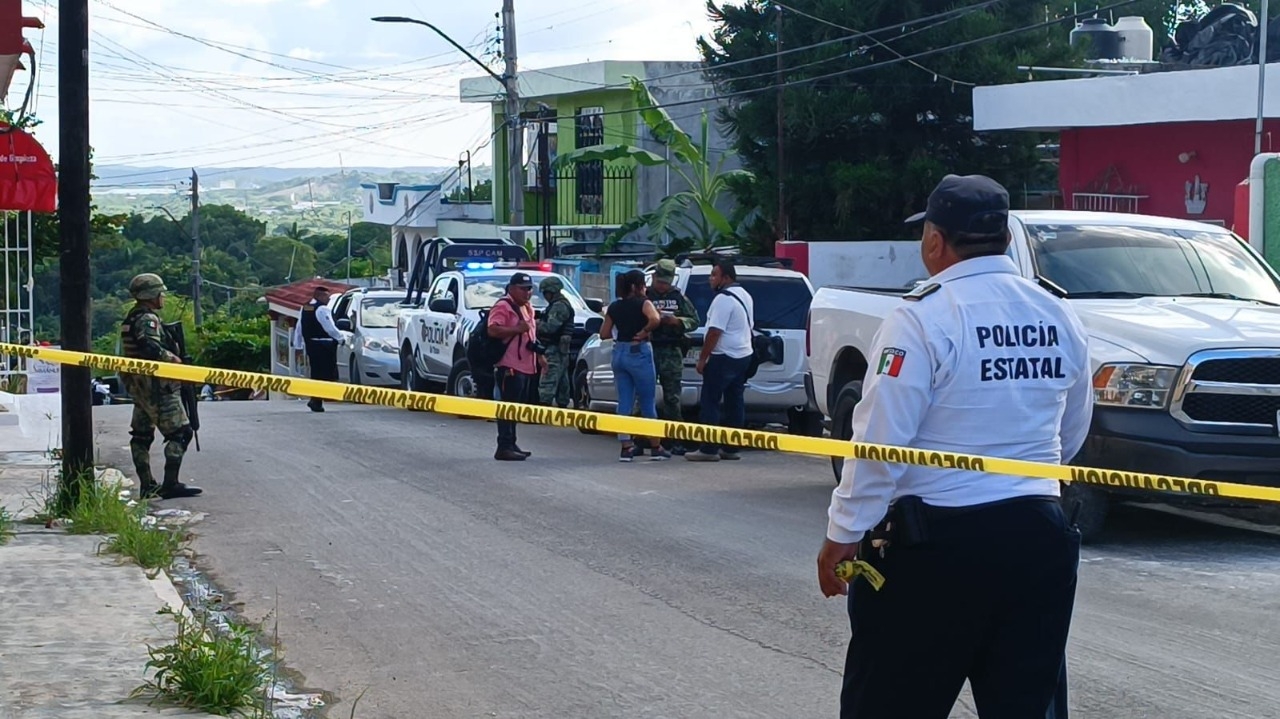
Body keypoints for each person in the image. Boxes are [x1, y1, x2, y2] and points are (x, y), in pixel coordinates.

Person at [815, 174, 1093, 719]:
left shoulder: (922, 315)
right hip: (1039, 541)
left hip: (934, 550)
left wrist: (843, 533)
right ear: (1005, 241)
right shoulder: (1058, 313)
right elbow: (1072, 429)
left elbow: (879, 441)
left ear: (935, 242)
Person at [119, 273, 203, 500]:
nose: (162, 297)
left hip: (140, 385)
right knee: (181, 433)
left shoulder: (131, 318)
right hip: (157, 385)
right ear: (151, 295)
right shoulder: (148, 320)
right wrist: (174, 360)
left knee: (142, 435)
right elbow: (149, 347)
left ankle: (147, 485)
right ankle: (170, 483)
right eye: (160, 292)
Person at [686, 259, 754, 462]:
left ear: (726, 278)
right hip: (743, 355)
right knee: (735, 402)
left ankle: (708, 449)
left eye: (714, 274)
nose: (710, 279)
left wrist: (702, 359)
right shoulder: (745, 295)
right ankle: (731, 448)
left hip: (723, 356)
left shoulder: (723, 299)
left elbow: (715, 332)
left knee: (710, 401)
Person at [600, 269, 669, 463]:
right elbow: (655, 319)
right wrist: (644, 330)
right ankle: (656, 446)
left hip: (619, 353)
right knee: (647, 400)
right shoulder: (644, 303)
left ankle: (626, 447)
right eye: (643, 284)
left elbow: (604, 333)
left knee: (624, 401)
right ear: (637, 286)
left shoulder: (614, 307)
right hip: (638, 352)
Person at [646, 259, 701, 455]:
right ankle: (642, 438)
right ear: (653, 277)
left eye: (666, 283)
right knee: (644, 395)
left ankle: (675, 439)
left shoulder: (678, 297)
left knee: (672, 398)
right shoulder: (645, 295)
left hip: (671, 350)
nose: (662, 286)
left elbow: (694, 320)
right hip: (649, 350)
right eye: (660, 282)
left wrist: (676, 321)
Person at [488, 272, 543, 461]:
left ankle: (511, 443)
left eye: (529, 289)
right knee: (507, 407)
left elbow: (530, 335)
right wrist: (515, 329)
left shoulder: (527, 307)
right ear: (511, 288)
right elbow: (492, 329)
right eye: (523, 289)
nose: (527, 293)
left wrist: (539, 356)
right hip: (509, 365)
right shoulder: (503, 306)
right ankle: (503, 446)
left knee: (515, 408)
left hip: (525, 364)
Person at [291, 285, 345, 412]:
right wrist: (341, 338)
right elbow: (329, 328)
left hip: (311, 345)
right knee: (325, 373)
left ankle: (316, 400)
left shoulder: (305, 307)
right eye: (326, 296)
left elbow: (299, 327)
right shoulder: (322, 309)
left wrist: (297, 345)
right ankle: (317, 399)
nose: (328, 299)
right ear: (319, 296)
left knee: (316, 373)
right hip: (324, 346)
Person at [536, 275, 574, 409]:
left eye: (545, 293)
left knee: (549, 377)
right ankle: (562, 405)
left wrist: (535, 324)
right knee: (562, 379)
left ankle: (544, 406)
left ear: (551, 292)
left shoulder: (559, 306)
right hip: (560, 348)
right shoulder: (559, 304)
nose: (545, 296)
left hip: (554, 348)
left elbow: (550, 328)